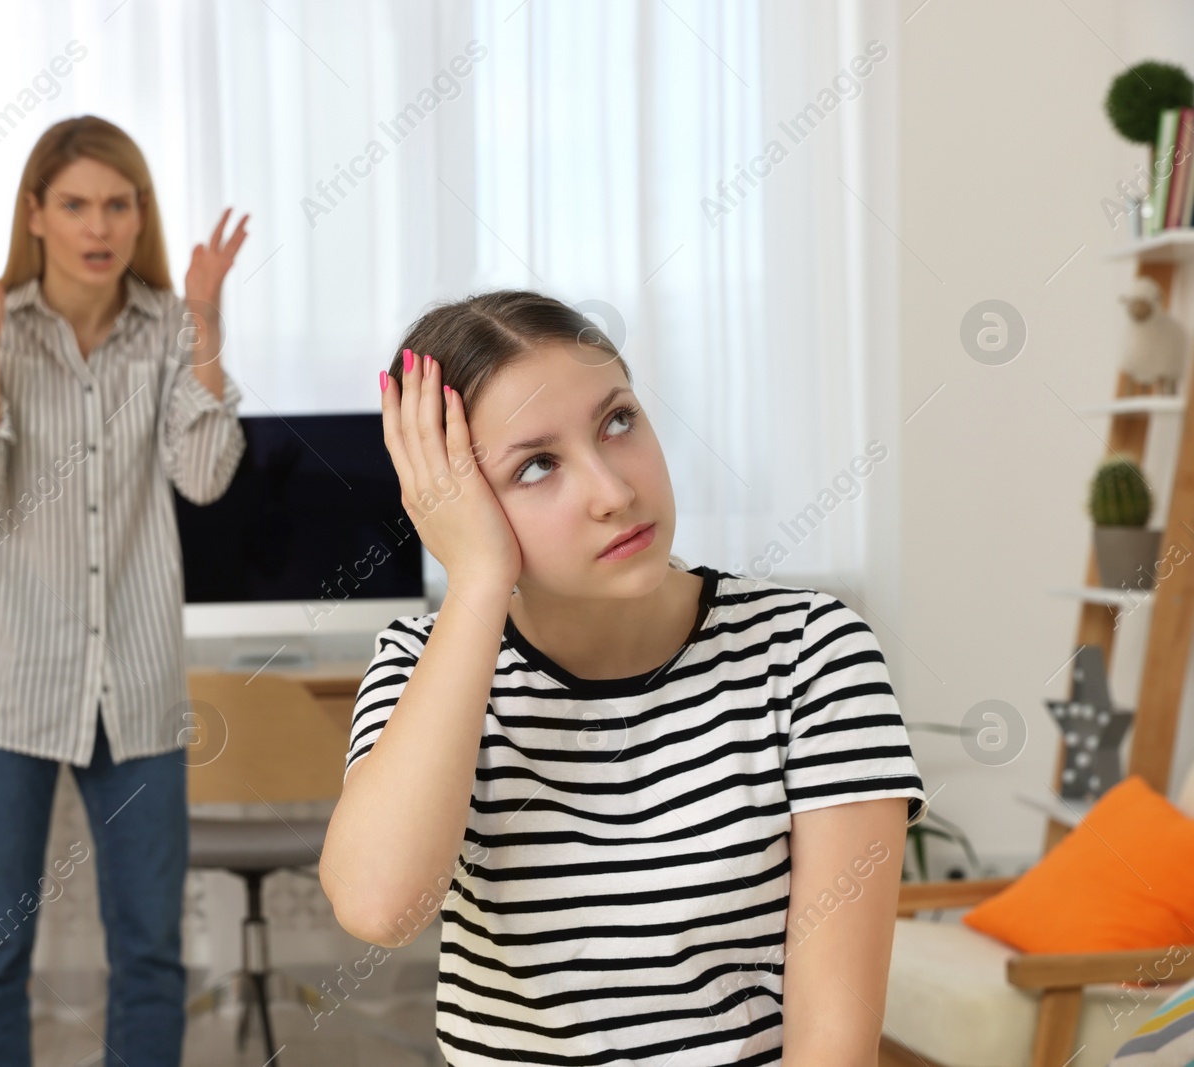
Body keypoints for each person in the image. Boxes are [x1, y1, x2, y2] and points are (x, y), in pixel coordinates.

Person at [320, 290, 928, 1066]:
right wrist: (476, 581)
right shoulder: (420, 660)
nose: (614, 492)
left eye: (617, 421)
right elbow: (379, 906)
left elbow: (833, 1044)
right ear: (454, 501)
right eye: (537, 466)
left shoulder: (810, 652)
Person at [0, 114, 249, 1067]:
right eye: (74, 204)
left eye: (117, 203)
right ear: (36, 213)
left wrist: (205, 332)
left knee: (150, 952)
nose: (97, 225)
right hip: (4, 688)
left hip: (137, 687)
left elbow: (205, 476)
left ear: (138, 214)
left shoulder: (164, 326)